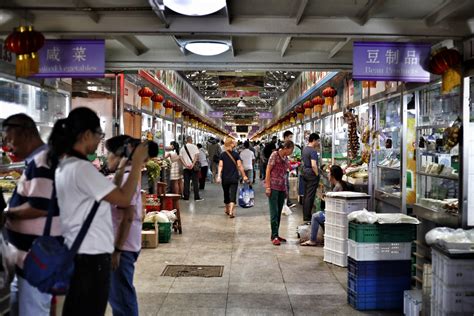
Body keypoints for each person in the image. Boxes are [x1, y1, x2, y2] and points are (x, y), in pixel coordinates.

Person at [48, 107, 148, 316]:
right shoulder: (82, 169)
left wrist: (122, 168)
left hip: (77, 249)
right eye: (99, 136)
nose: (99, 142)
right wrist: (137, 163)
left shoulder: (65, 165)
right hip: (91, 256)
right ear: (86, 135)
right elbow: (123, 198)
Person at [2, 114, 60, 316]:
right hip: (29, 258)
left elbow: (41, 206)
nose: (8, 146)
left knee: (33, 311)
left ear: (25, 133)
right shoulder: (38, 160)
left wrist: (7, 214)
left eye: (10, 139)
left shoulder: (43, 161)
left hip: (37, 258)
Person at [105, 135, 143, 316]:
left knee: (121, 298)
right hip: (127, 243)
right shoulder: (128, 176)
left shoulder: (127, 178)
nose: (107, 159)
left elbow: (127, 215)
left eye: (109, 154)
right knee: (120, 295)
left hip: (123, 246)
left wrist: (117, 250)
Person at [301, 165, 347, 246]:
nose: (328, 175)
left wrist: (324, 198)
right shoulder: (340, 184)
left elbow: (333, 203)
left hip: (336, 215)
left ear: (333, 176)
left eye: (329, 173)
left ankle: (312, 240)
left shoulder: (337, 187)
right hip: (339, 213)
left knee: (315, 216)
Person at [266, 140, 294, 246]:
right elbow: (268, 170)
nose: (292, 152)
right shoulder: (274, 155)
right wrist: (267, 187)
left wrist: (296, 164)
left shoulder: (285, 158)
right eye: (291, 150)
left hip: (282, 187)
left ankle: (275, 234)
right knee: (274, 212)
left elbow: (288, 168)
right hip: (273, 187)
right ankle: (274, 236)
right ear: (286, 148)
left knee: (278, 213)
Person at [216, 138, 248, 218]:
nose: (235, 143)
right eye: (233, 142)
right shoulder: (236, 154)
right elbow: (240, 166)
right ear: (230, 144)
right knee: (233, 194)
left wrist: (219, 176)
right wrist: (244, 175)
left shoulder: (222, 155)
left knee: (226, 193)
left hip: (225, 178)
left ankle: (227, 209)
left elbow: (220, 166)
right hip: (234, 178)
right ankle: (231, 211)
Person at [302, 133, 321, 223]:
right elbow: (314, 165)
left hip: (305, 172)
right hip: (311, 174)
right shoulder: (313, 151)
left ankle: (305, 214)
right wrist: (317, 175)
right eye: (317, 141)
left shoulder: (305, 149)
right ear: (313, 140)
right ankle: (307, 216)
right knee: (310, 196)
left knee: (306, 194)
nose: (318, 142)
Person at [179, 136, 203, 201]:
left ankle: (186, 197)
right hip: (194, 167)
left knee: (186, 182)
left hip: (185, 167)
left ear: (186, 140)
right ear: (191, 140)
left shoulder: (182, 148)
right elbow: (196, 156)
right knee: (195, 182)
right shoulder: (194, 147)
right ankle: (196, 197)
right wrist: (192, 164)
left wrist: (185, 165)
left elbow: (180, 158)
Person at [281, 130, 297, 209]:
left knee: (286, 186)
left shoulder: (285, 146)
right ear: (286, 137)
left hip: (285, 169)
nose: (291, 138)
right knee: (285, 186)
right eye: (290, 137)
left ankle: (286, 202)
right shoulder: (283, 147)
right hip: (283, 171)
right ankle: (286, 203)